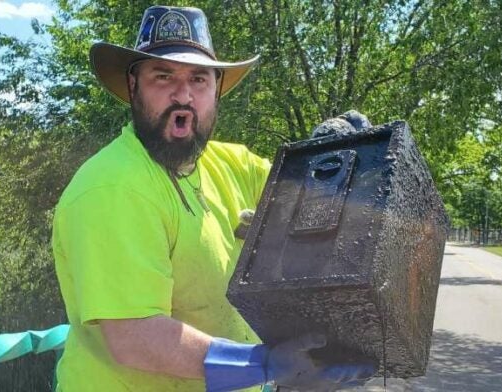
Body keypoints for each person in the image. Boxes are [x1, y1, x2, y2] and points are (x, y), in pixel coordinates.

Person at [52, 5, 375, 391]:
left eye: (199, 79)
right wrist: (264, 364)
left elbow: (305, 200)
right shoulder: (113, 188)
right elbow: (134, 337)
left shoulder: (231, 162)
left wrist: (337, 156)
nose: (183, 95)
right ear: (134, 86)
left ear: (217, 90)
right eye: (163, 76)